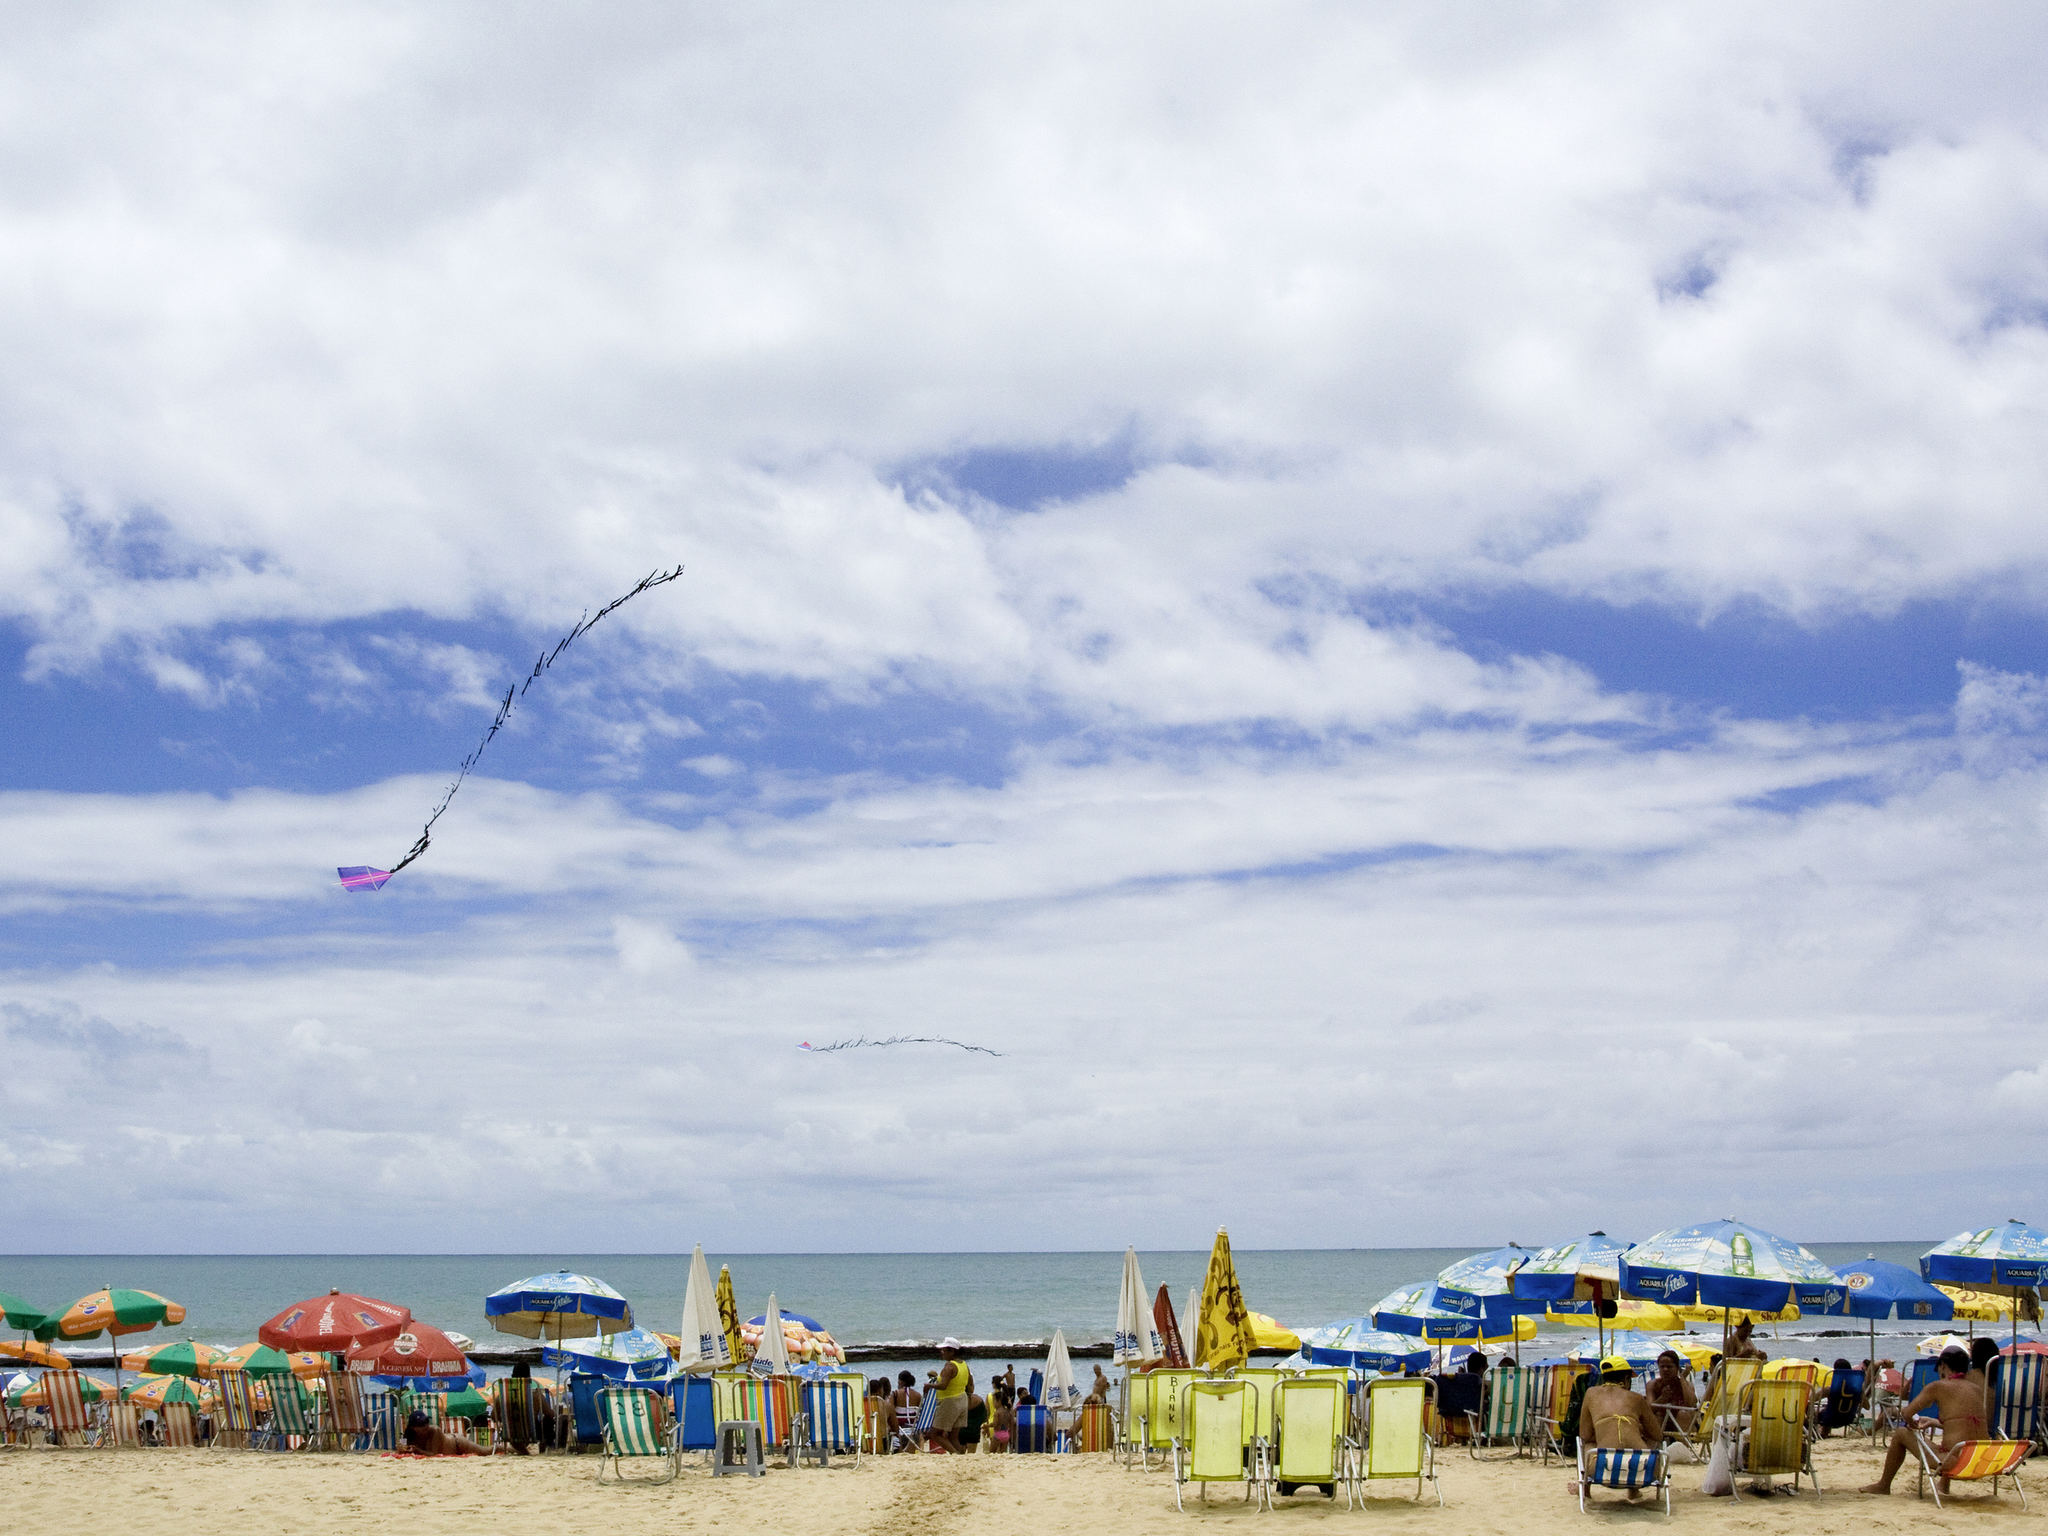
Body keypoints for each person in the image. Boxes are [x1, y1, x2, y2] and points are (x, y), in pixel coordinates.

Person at [1862, 1346, 1986, 1496]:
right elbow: (1963, 1423)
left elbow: (1907, 1413)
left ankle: (1883, 1485)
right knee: (1950, 1443)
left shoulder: (1938, 1387)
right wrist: (1934, 1421)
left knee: (1901, 1433)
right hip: (1981, 1460)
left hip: (1952, 1462)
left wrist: (1912, 1423)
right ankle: (1944, 1486)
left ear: (1943, 1366)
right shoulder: (1977, 1389)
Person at [927, 1340, 974, 1453]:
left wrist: (929, 1385)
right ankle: (961, 1457)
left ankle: (955, 1454)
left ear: (952, 1351)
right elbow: (970, 1384)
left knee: (935, 1433)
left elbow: (943, 1385)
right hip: (962, 1399)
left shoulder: (950, 1366)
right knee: (953, 1437)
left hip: (949, 1401)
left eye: (944, 1350)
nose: (942, 1352)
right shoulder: (964, 1364)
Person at [1645, 1350, 1697, 1441]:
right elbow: (1648, 1409)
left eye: (1669, 1367)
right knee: (1658, 1416)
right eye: (1662, 1367)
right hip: (1661, 1423)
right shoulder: (1653, 1385)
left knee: (1683, 1414)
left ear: (1677, 1368)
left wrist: (1682, 1379)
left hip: (1683, 1425)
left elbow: (1691, 1404)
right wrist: (1662, 1399)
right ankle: (1655, 1449)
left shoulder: (1686, 1384)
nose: (1665, 1369)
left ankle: (1683, 1449)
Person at [403, 1410, 485, 1456]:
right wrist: (402, 1448)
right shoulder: (408, 1435)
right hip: (453, 1446)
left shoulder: (435, 1430)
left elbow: (434, 1454)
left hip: (458, 1443)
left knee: (486, 1451)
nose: (426, 1425)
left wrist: (418, 1450)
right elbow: (402, 1447)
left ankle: (498, 1447)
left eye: (427, 1421)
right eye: (421, 1424)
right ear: (413, 1428)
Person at [891, 1369, 922, 1451]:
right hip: (913, 1423)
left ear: (901, 1381)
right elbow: (921, 1411)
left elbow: (890, 1410)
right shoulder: (918, 1395)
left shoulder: (895, 1394)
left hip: (899, 1425)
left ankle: (898, 1448)